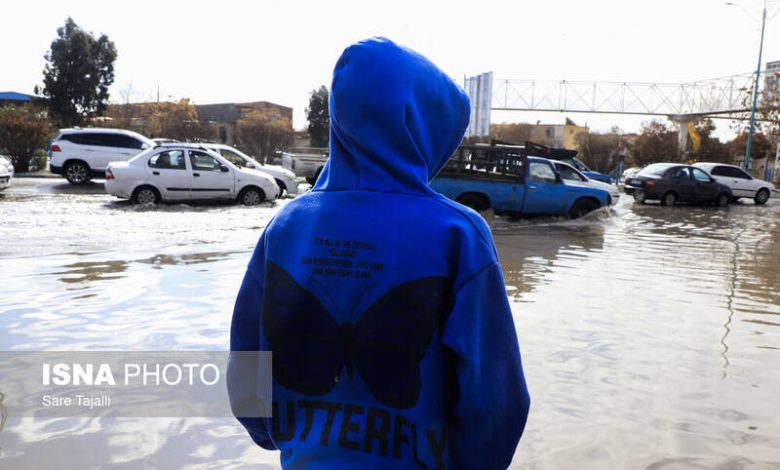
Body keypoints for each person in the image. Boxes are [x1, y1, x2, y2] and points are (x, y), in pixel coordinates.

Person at [229, 37, 530, 469]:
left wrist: (275, 434)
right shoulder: (457, 233)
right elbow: (496, 397)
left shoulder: (287, 225)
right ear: (424, 127)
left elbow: (246, 357)